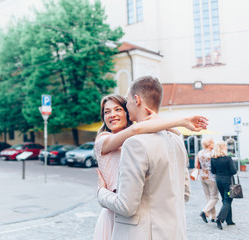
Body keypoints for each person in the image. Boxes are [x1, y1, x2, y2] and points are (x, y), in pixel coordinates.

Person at [96, 76, 205, 240]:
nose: (116, 112)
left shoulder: (134, 144)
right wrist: (178, 123)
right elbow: (184, 194)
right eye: (107, 111)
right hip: (172, 232)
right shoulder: (176, 140)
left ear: (136, 100)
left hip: (139, 231)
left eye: (122, 106)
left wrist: (100, 192)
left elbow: (126, 206)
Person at [211, 140, 237, 230]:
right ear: (222, 148)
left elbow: (213, 171)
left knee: (225, 199)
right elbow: (234, 171)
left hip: (219, 180)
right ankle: (220, 218)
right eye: (225, 146)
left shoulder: (213, 158)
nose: (226, 147)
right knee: (228, 200)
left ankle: (229, 220)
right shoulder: (228, 159)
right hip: (227, 181)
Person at [195, 137, 219, 223]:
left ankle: (213, 216)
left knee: (208, 197)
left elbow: (196, 165)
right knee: (215, 197)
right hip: (211, 177)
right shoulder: (213, 153)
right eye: (213, 143)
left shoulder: (200, 153)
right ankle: (204, 212)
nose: (214, 144)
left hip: (202, 176)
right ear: (209, 144)